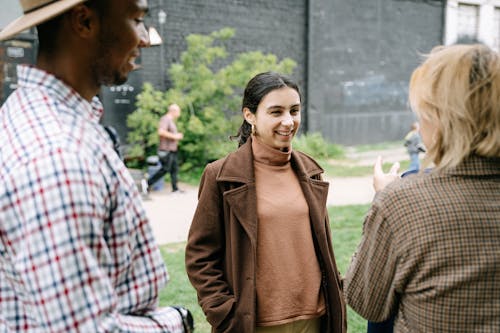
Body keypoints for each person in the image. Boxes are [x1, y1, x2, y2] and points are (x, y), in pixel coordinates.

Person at [0, 1, 191, 331]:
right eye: (136, 20)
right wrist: (177, 321)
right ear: (85, 21)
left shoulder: (38, 117)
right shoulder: (58, 159)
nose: (144, 39)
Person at [344, 44, 500, 332]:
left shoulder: (402, 202)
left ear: (442, 119)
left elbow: (365, 301)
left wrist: (383, 199)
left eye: (423, 112)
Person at [185, 72, 346, 333]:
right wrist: (222, 310)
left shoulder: (310, 171)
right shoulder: (220, 175)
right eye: (276, 112)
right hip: (254, 323)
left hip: (315, 318)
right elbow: (199, 255)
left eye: (294, 110)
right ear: (249, 116)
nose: (288, 121)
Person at [147, 103, 184, 192]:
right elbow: (161, 132)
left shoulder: (171, 121)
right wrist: (175, 136)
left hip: (173, 150)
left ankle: (175, 189)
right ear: (173, 111)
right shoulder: (165, 119)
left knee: (174, 169)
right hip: (166, 150)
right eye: (178, 111)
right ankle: (147, 183)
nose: (179, 114)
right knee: (165, 169)